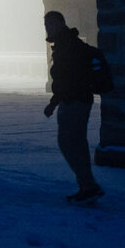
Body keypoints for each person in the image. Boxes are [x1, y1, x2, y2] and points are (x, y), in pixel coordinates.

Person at [42, 11, 104, 204]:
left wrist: (54, 102)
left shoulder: (67, 46)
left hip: (74, 101)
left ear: (61, 23)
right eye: (46, 24)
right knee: (76, 143)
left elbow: (66, 80)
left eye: (51, 24)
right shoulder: (68, 43)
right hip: (76, 99)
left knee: (68, 143)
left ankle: (88, 185)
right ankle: (86, 185)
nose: (48, 28)